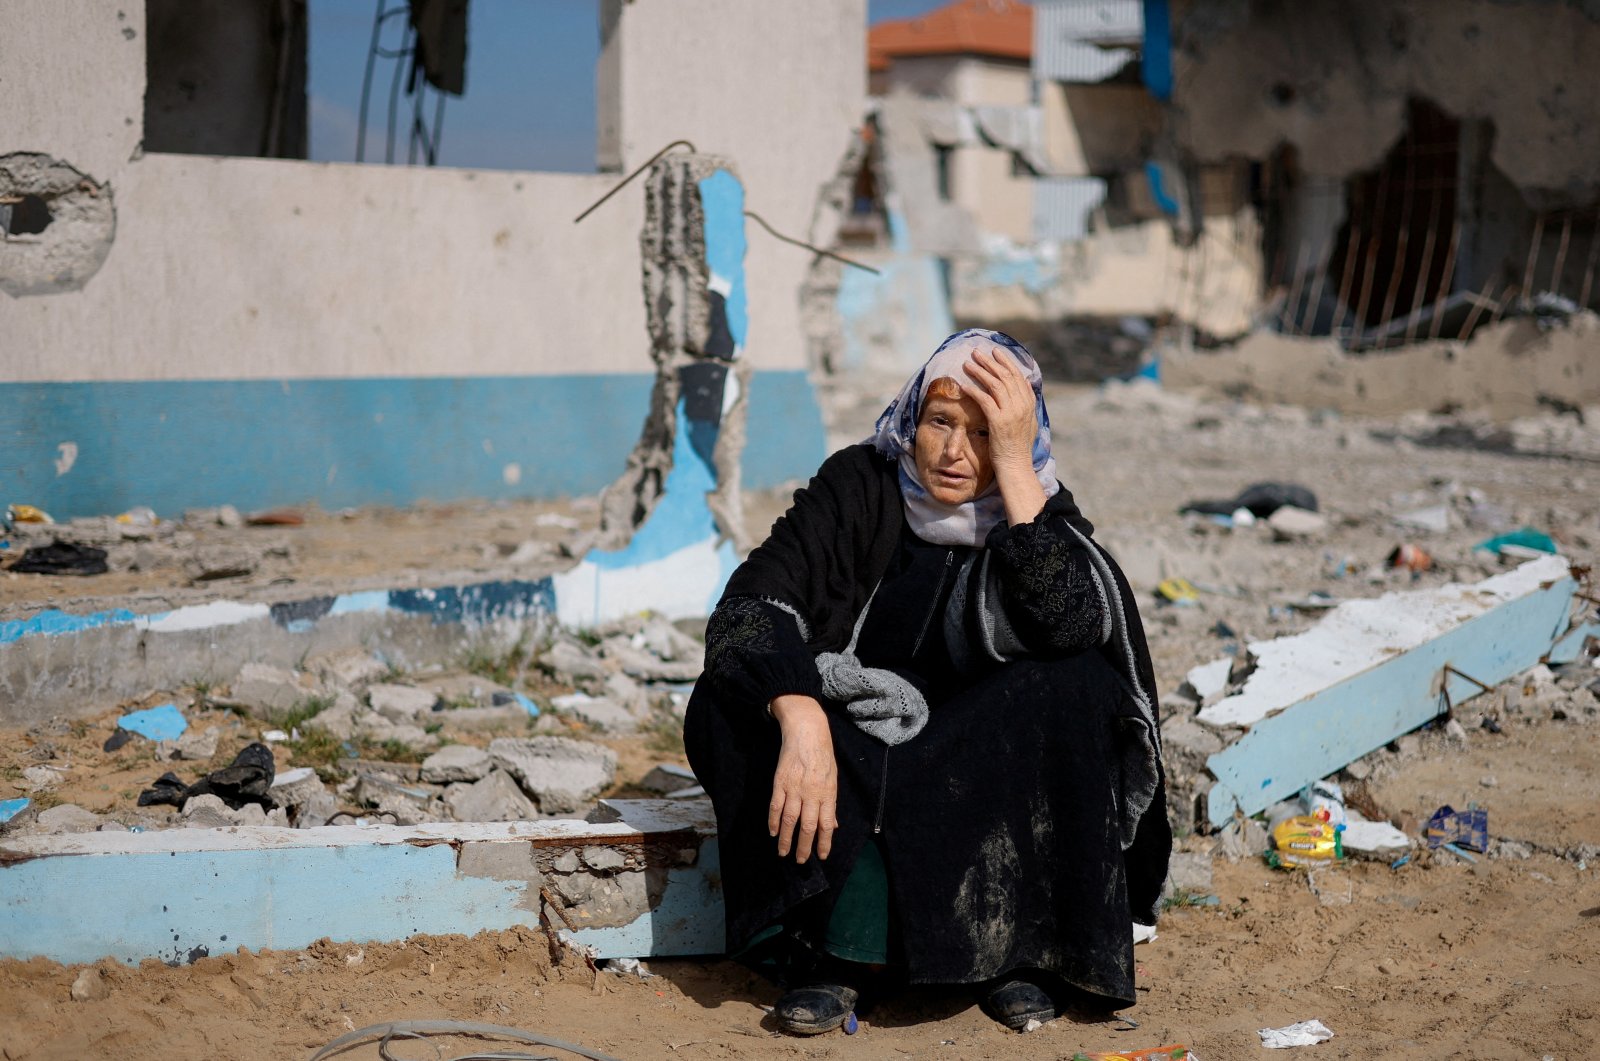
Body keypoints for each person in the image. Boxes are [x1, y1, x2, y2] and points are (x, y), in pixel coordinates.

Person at [683, 329, 1170, 1034]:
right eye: (941, 421)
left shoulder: (1034, 510)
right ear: (912, 417)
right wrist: (803, 716)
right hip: (852, 744)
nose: (953, 451)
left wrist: (1014, 469)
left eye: (983, 432)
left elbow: (1073, 623)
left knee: (1079, 686)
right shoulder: (859, 486)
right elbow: (748, 606)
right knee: (725, 702)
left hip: (969, 764)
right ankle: (833, 953)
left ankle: (1014, 954)